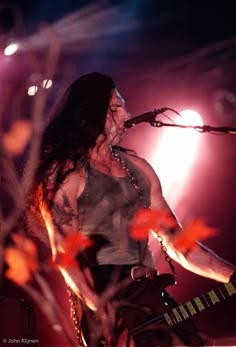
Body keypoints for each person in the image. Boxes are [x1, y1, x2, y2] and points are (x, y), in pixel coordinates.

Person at [28, 72, 236, 347]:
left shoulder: (139, 169)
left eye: (123, 105)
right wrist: (105, 315)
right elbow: (65, 256)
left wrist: (232, 276)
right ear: (88, 114)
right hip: (110, 307)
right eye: (114, 108)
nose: (126, 113)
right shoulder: (66, 173)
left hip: (151, 299)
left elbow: (180, 245)